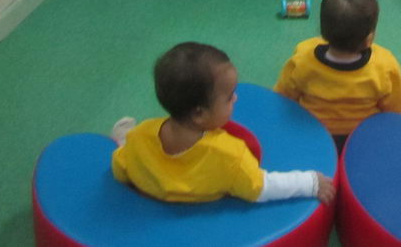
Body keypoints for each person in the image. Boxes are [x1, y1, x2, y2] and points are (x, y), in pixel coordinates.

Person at [110, 42, 335, 205]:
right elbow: (261, 187)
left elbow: (120, 168)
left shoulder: (141, 135)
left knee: (126, 146)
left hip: (155, 181)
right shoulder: (229, 155)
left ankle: (120, 139)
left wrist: (125, 149)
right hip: (206, 198)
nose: (235, 98)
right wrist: (311, 183)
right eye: (229, 98)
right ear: (199, 114)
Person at [275, 0, 401, 151]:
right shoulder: (384, 65)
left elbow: (283, 98)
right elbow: (398, 108)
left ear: (323, 30)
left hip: (313, 134)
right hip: (363, 138)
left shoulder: (302, 57)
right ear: (369, 38)